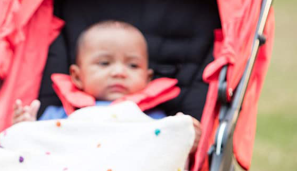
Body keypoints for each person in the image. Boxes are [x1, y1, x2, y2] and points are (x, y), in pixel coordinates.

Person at [11, 21, 201, 152]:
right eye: (104, 63)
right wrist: (24, 129)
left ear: (147, 77)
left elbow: (169, 156)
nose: (119, 72)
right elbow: (33, 152)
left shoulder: (155, 120)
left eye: (132, 65)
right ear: (77, 77)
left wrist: (184, 137)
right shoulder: (56, 116)